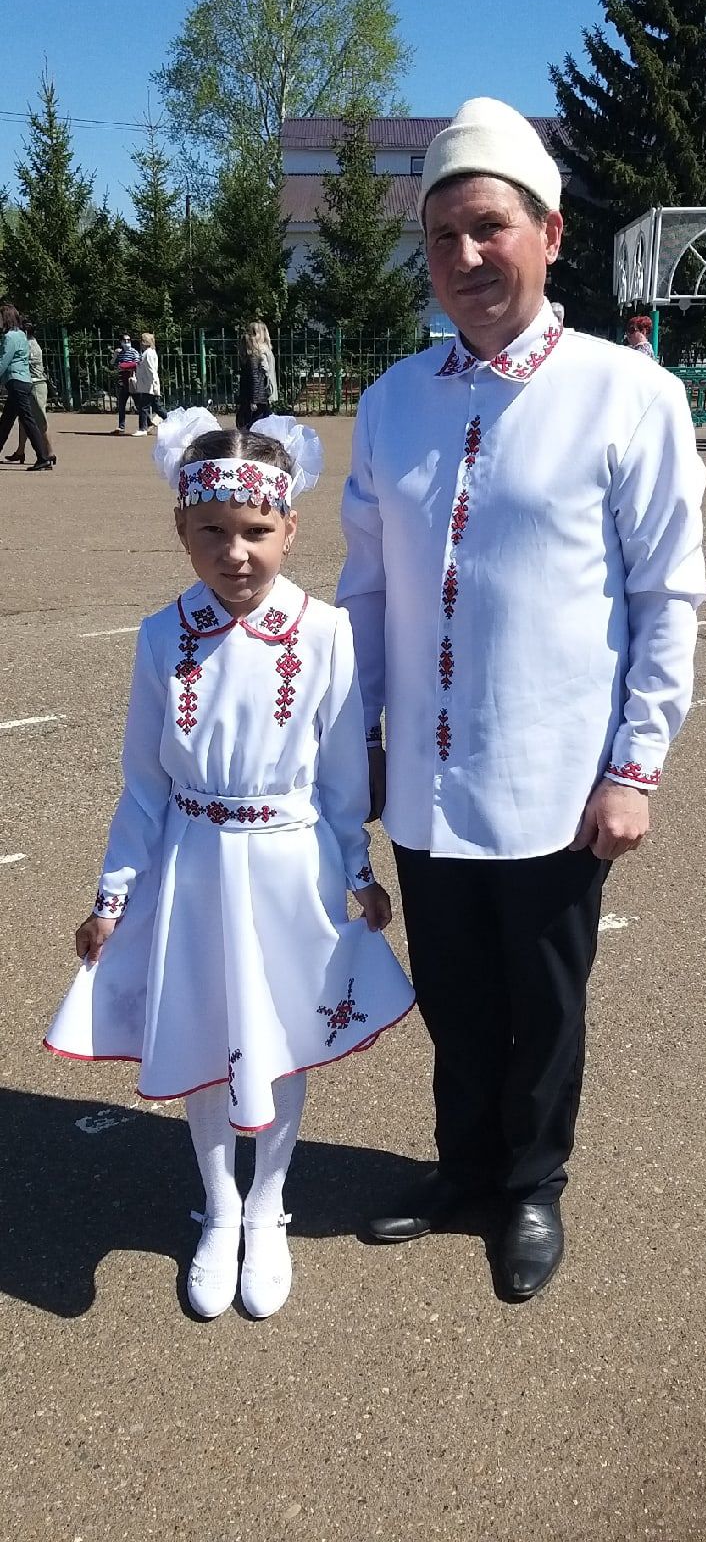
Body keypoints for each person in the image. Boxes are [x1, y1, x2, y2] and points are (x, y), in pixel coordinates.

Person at [337, 97, 706, 1301]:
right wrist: (359, 749)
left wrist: (635, 765)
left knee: (543, 1002)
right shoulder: (394, 401)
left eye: (488, 228)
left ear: (549, 233)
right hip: (430, 785)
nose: (465, 257)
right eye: (442, 237)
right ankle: (464, 1170)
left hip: (557, 779)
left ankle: (532, 1184)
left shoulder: (627, 394)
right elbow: (364, 591)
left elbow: (667, 596)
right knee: (453, 989)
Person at [46, 408, 413, 1320]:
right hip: (194, 867)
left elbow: (337, 783)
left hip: (287, 868)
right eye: (212, 530)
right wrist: (114, 894)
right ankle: (217, 1208)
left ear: (290, 527)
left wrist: (354, 869)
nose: (235, 552)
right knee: (205, 1036)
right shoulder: (156, 635)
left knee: (279, 1040)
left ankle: (269, 1205)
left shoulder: (327, 634)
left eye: (256, 531)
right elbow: (142, 787)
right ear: (181, 528)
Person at [0, 303, 53, 470]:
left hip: (16, 382)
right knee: (6, 421)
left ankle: (43, 457)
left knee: (28, 421)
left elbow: (3, 361)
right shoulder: (21, 334)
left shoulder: (9, 337)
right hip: (24, 382)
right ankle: (43, 457)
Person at [236, 321, 277, 429]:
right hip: (260, 399)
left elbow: (255, 378)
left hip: (255, 399)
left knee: (250, 428)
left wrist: (254, 400)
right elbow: (259, 378)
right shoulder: (263, 354)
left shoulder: (254, 355)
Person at [133, 331, 167, 436]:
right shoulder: (148, 352)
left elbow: (152, 370)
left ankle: (142, 428)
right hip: (147, 385)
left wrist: (155, 384)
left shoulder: (149, 353)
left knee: (143, 407)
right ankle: (172, 420)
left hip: (149, 385)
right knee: (157, 407)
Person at [111, 333, 140, 434]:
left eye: (129, 340)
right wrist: (115, 356)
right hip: (123, 382)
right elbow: (113, 364)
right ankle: (121, 427)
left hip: (132, 382)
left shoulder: (134, 352)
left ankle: (147, 423)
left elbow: (136, 364)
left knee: (138, 405)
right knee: (121, 405)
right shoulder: (120, 353)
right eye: (125, 340)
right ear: (121, 342)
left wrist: (123, 366)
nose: (127, 342)